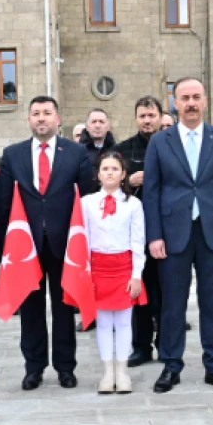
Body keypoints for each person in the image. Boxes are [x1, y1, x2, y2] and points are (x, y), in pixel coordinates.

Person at [142, 77, 213, 393]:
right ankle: (171, 365)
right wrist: (154, 235)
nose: (191, 103)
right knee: (173, 302)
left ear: (206, 100)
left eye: (196, 96)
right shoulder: (161, 141)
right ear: (175, 102)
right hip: (172, 234)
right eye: (184, 97)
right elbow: (152, 191)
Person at [0, 96, 95, 390]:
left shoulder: (77, 153)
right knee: (30, 311)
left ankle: (66, 367)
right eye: (36, 113)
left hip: (65, 245)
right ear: (29, 119)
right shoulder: (12, 154)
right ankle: (34, 367)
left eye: (47, 113)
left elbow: (87, 197)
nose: (41, 118)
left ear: (57, 118)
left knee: (64, 308)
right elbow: (3, 202)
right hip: (26, 247)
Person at [84, 152, 145, 393]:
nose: (109, 172)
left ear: (123, 174)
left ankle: (122, 370)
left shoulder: (133, 204)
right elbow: (83, 239)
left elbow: (138, 241)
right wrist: (85, 274)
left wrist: (137, 274)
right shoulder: (86, 203)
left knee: (123, 322)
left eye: (114, 169)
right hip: (98, 267)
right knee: (103, 322)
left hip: (123, 268)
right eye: (105, 168)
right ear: (98, 174)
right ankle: (107, 372)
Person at [115, 96, 165, 367]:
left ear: (160, 117)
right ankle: (141, 346)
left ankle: (166, 344)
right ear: (136, 118)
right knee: (138, 290)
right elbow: (105, 184)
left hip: (167, 231)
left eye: (152, 115)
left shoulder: (173, 144)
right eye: (143, 116)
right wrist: (128, 183)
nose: (147, 120)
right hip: (134, 235)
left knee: (167, 291)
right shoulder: (123, 150)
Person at [81, 108, 116, 175]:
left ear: (108, 127)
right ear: (87, 127)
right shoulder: (78, 152)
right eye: (94, 122)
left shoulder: (116, 150)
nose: (97, 126)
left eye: (101, 122)